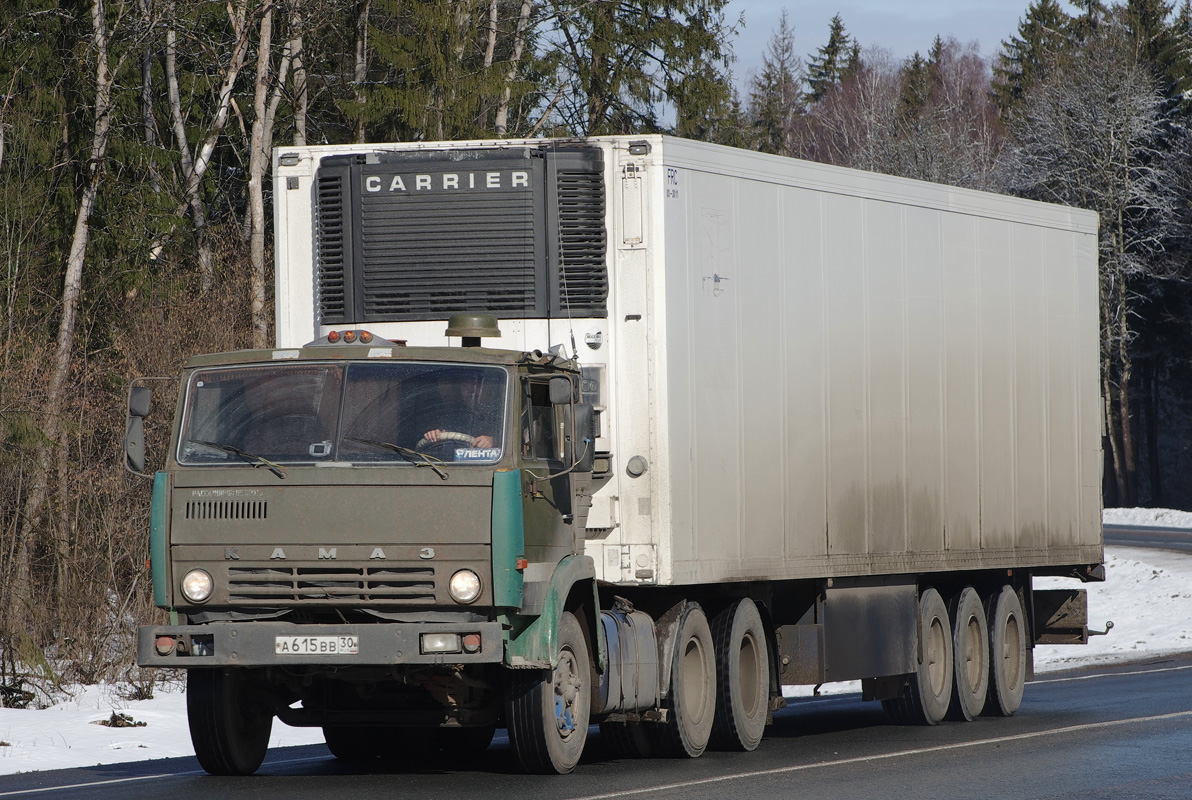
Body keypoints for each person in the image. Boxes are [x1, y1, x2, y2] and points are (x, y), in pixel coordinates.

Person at [416, 369, 499, 451]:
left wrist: (495, 441)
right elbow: (448, 450)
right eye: (465, 385)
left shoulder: (503, 414)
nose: (471, 390)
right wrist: (435, 438)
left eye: (477, 384)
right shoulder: (453, 415)